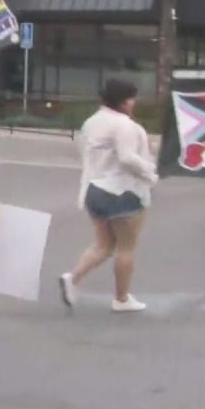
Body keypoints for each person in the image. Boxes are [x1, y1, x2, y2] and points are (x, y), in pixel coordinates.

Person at [57, 78, 158, 313]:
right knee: (126, 248)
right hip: (122, 191)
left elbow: (85, 151)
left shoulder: (91, 123)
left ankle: (72, 278)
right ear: (122, 102)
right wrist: (150, 172)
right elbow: (126, 157)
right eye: (131, 98)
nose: (134, 103)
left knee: (103, 244)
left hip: (94, 190)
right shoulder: (124, 125)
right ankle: (121, 299)